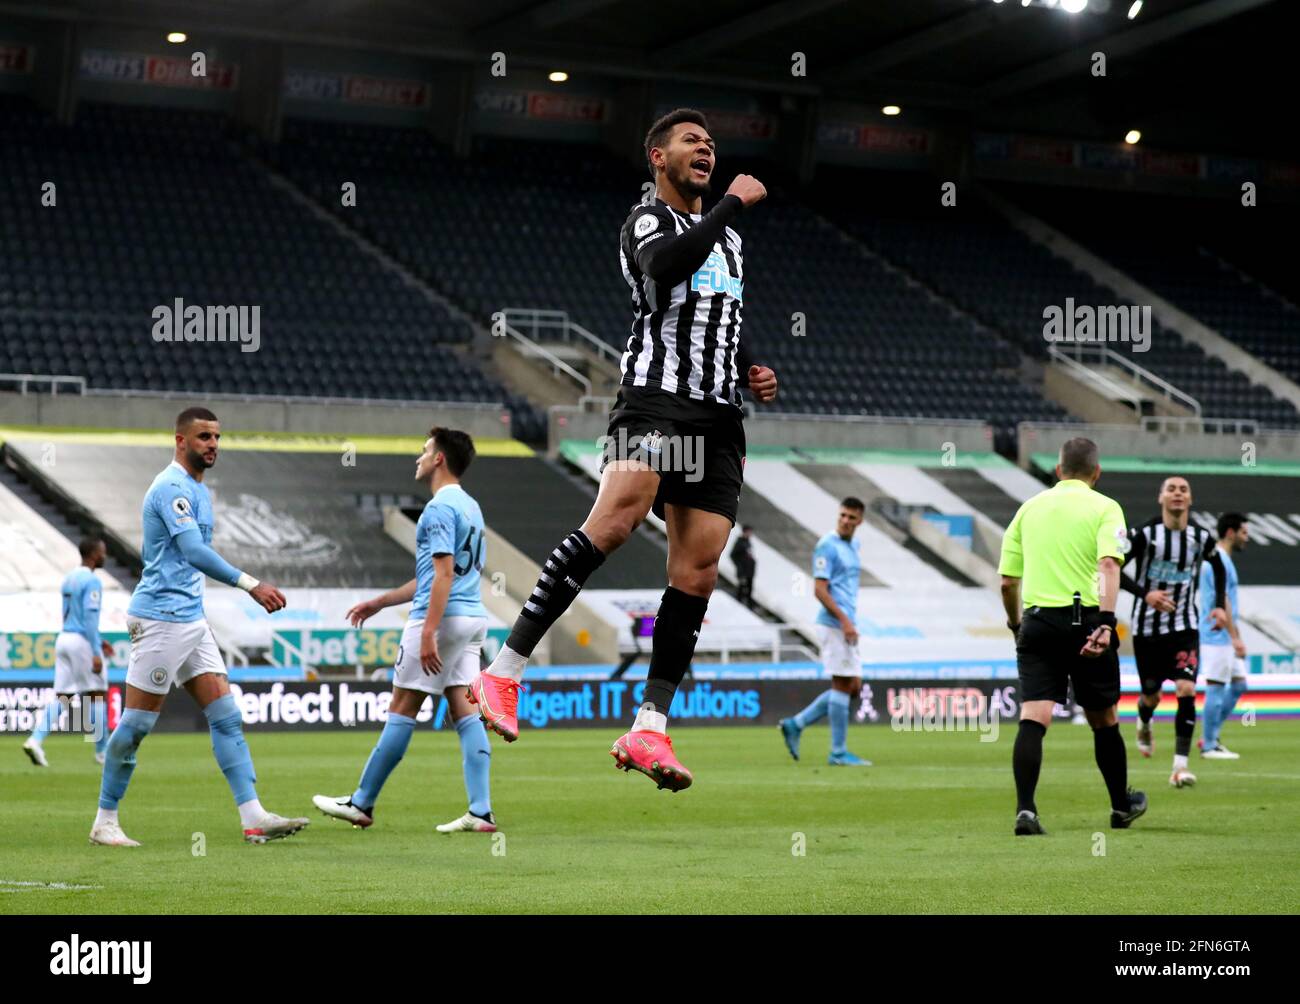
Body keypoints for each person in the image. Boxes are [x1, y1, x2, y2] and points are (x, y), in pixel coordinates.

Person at [470, 108, 777, 793]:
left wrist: (752, 366)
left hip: (718, 419)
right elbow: (665, 269)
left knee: (696, 572)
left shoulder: (725, 245)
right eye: (692, 141)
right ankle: (504, 671)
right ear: (657, 158)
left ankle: (649, 728)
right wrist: (731, 203)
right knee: (617, 518)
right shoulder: (648, 221)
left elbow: (720, 310)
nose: (707, 148)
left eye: (712, 142)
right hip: (655, 402)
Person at [89, 407, 308, 847]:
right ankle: (104, 821)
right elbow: (192, 551)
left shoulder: (198, 490)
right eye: (204, 437)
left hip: (191, 619)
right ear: (180, 440)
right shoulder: (172, 487)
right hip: (161, 619)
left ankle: (253, 816)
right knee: (135, 726)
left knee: (225, 716)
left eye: (217, 437)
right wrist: (251, 584)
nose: (212, 445)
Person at [312, 428, 496, 833]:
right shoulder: (471, 507)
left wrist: (429, 630)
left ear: (440, 460)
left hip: (443, 620)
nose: (419, 456)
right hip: (473, 619)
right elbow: (435, 575)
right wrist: (379, 602)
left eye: (425, 450)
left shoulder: (436, 510)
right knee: (465, 710)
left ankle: (361, 803)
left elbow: (443, 575)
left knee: (402, 708)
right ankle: (480, 810)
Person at [998, 437, 1147, 836]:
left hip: (1037, 622)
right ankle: (1120, 807)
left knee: (1035, 716)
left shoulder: (1028, 509)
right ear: (1096, 473)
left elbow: (1008, 581)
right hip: (1086, 622)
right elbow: (1108, 565)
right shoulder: (1105, 507)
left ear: (1058, 470)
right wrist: (1106, 622)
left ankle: (1026, 810)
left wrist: (1016, 625)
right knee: (1103, 718)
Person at [1119, 476, 1226, 788]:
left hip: (1185, 627)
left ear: (1190, 500)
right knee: (1151, 694)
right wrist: (1145, 594)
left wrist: (1218, 605)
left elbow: (1218, 566)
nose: (1177, 494)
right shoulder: (1145, 534)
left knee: (1186, 690)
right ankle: (1144, 719)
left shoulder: (1200, 537)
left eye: (1183, 490)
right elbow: (1114, 569)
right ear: (1160, 497)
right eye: (1171, 489)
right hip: (1146, 629)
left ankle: (1180, 767)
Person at [778, 498, 869, 766]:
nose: (845, 520)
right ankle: (838, 752)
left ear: (860, 521)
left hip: (845, 622)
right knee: (842, 684)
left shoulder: (854, 545)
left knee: (853, 686)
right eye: (842, 515)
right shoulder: (827, 545)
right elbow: (819, 589)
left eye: (851, 517)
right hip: (834, 623)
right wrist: (845, 621)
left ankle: (796, 724)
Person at [23, 537, 113, 768]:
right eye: (102, 552)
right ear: (93, 554)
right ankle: (102, 752)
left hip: (63, 639)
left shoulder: (69, 578)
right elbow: (89, 618)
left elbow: (74, 615)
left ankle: (35, 740)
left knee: (63, 696)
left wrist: (99, 642)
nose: (105, 556)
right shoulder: (92, 581)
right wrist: (95, 649)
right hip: (82, 641)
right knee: (97, 694)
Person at [1199, 513, 1250, 760]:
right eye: (1244, 533)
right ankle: (1209, 745)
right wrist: (1234, 636)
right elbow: (1225, 600)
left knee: (1240, 684)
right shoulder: (1217, 559)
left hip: (1225, 635)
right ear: (1231, 532)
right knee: (1216, 687)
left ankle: (1210, 734)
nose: (1246, 538)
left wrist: (1236, 636)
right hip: (1216, 634)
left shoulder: (1223, 560)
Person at [731, 525, 756, 609]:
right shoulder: (739, 542)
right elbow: (732, 555)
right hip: (743, 571)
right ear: (744, 531)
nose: (750, 534)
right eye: (748, 531)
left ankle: (747, 608)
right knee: (741, 589)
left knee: (749, 589)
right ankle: (737, 607)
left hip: (749, 571)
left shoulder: (748, 542)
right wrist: (740, 566)